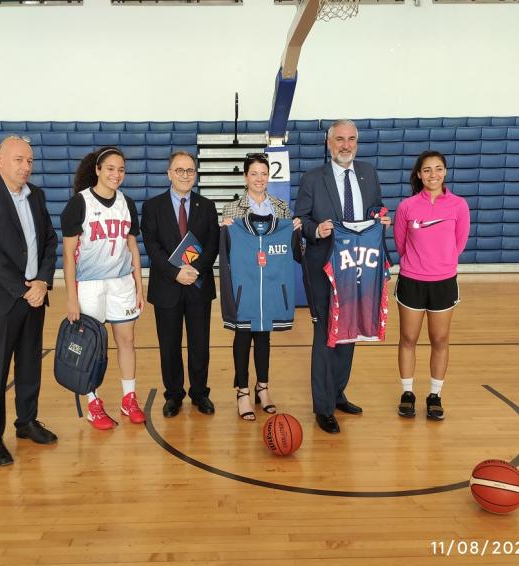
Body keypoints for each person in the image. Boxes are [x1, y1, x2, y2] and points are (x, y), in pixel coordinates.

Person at [0, 135, 58, 466]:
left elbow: (49, 240)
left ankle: (26, 422)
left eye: (29, 160)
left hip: (35, 295)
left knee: (30, 364)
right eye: (18, 160)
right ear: (0, 160)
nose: (25, 166)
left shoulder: (37, 195)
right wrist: (24, 288)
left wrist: (43, 281)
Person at [295, 119, 391, 434]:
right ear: (329, 143)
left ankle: (336, 393)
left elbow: (375, 208)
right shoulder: (312, 179)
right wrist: (315, 229)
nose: (345, 145)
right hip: (323, 267)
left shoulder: (369, 173)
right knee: (326, 336)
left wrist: (381, 216)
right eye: (339, 139)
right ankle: (322, 407)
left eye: (351, 139)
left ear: (357, 143)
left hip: (358, 266)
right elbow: (301, 220)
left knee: (349, 331)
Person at [61, 146, 145, 430]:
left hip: (121, 282)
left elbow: (132, 246)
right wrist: (71, 297)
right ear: (97, 170)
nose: (116, 174)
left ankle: (129, 398)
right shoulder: (79, 203)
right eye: (110, 168)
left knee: (126, 340)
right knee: (90, 347)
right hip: (89, 284)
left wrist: (139, 286)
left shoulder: (127, 203)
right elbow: (68, 255)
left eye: (121, 169)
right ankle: (93, 402)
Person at [141, 151, 220, 418]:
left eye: (190, 171)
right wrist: (175, 273)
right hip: (167, 287)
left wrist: (195, 270)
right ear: (169, 174)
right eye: (180, 170)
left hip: (198, 285)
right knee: (169, 346)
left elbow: (212, 245)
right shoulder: (152, 207)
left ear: (195, 175)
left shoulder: (206, 206)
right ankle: (173, 395)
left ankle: (200, 394)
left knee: (200, 345)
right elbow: (152, 247)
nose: (185, 175)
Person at [393, 150, 470, 421]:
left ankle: (435, 395)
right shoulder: (407, 206)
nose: (433, 174)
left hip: (444, 283)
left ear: (445, 172)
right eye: (427, 170)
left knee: (439, 340)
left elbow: (459, 244)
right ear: (418, 174)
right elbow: (401, 245)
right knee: (408, 339)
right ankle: (407, 393)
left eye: (438, 169)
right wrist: (418, 264)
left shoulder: (459, 206)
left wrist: (441, 263)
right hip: (412, 281)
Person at [220, 153, 297, 421]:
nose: (259, 179)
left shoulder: (282, 208)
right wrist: (225, 229)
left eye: (264, 173)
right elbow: (226, 251)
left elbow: (292, 248)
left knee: (264, 336)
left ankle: (262, 387)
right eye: (254, 173)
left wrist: (295, 229)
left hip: (271, 283)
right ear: (245, 177)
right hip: (246, 282)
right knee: (242, 336)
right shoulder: (232, 210)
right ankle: (242, 391)